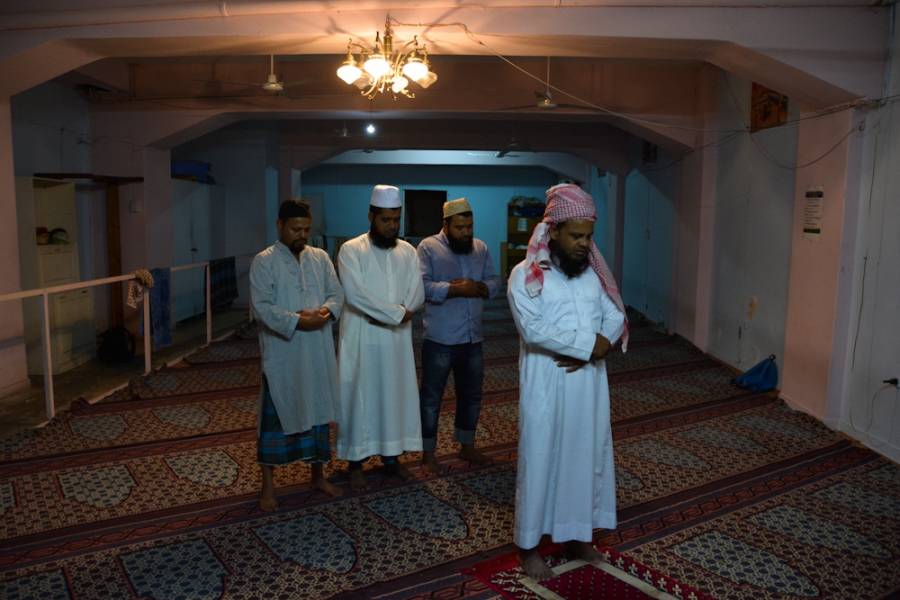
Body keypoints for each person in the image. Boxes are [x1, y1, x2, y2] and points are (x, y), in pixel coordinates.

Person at [507, 184, 629, 580]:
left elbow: (614, 314)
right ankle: (528, 546)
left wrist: (600, 346)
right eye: (576, 235)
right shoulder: (526, 275)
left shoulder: (593, 275)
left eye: (589, 236)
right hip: (548, 384)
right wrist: (586, 346)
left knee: (584, 456)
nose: (583, 243)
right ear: (553, 231)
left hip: (589, 385)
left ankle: (577, 536)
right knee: (542, 458)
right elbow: (533, 329)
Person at [250, 199, 344, 511]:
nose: (302, 234)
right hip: (283, 355)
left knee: (318, 416)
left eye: (306, 229)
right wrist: (298, 321)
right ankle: (268, 486)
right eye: (295, 229)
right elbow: (262, 308)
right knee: (275, 420)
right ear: (280, 226)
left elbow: (336, 293)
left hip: (316, 352)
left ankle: (317, 475)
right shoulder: (264, 261)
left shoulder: (320, 258)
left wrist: (325, 313)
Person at [336, 185, 426, 491]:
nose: (391, 226)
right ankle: (355, 462)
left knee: (394, 397)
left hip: (396, 343)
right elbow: (355, 294)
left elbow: (417, 293)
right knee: (360, 400)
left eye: (396, 219)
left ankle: (393, 457)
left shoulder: (408, 251)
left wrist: (397, 313)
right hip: (362, 342)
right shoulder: (351, 250)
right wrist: (397, 314)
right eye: (385, 219)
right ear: (371, 216)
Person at [417, 198, 501, 475]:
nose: (466, 233)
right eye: (460, 227)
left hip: (472, 339)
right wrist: (455, 290)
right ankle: (428, 453)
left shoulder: (481, 248)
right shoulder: (428, 247)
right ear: (446, 225)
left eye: (470, 227)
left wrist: (479, 288)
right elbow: (422, 287)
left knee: (471, 397)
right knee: (431, 401)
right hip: (440, 339)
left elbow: (495, 281)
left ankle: (466, 446)